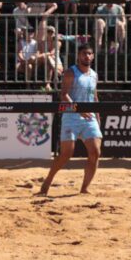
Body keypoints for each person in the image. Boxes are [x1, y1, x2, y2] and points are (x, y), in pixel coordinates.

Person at [41, 41, 103, 196]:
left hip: (90, 117)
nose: (87, 56)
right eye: (84, 53)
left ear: (93, 56)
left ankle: (84, 188)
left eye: (89, 54)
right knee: (66, 154)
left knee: (95, 152)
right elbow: (63, 95)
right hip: (71, 116)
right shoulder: (71, 72)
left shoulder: (94, 74)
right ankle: (48, 180)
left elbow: (94, 97)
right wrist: (78, 109)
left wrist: (98, 117)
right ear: (78, 56)